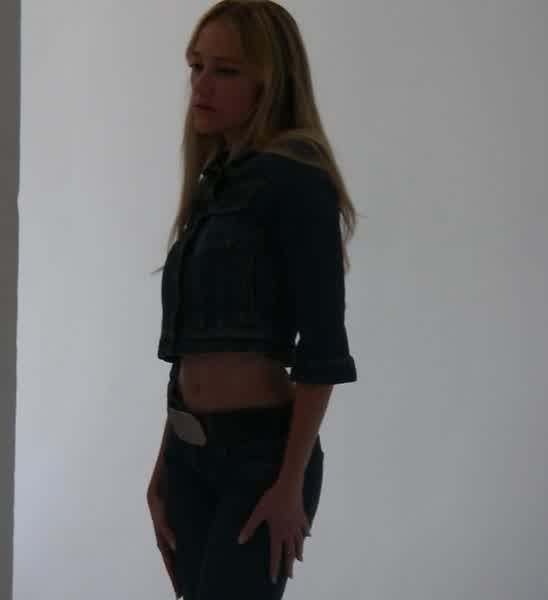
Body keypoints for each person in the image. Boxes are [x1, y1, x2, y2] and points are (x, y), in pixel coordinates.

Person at [146, 1, 358, 598]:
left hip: (260, 460)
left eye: (226, 70)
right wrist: (163, 468)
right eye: (196, 66)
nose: (202, 85)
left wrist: (290, 484)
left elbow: (323, 350)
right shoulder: (214, 182)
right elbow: (190, 350)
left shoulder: (297, 179)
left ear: (271, 82)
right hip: (188, 454)